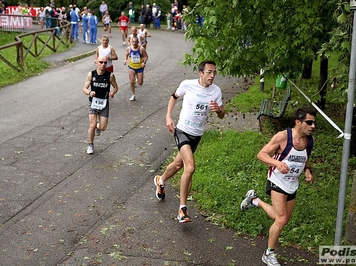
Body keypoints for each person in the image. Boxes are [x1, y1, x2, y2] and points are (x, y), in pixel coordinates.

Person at [240, 107, 316, 266]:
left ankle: (254, 200)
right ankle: (269, 253)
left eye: (314, 123)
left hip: (292, 183)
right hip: (277, 180)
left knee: (282, 218)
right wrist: (277, 163)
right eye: (309, 122)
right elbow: (261, 154)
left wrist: (307, 170)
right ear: (298, 122)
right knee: (281, 219)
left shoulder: (309, 141)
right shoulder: (283, 137)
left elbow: (305, 158)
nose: (312, 126)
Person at [153, 60, 226, 223]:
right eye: (209, 72)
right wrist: (168, 117)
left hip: (197, 135)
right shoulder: (188, 84)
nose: (212, 76)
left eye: (214, 72)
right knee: (190, 167)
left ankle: (160, 180)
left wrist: (219, 110)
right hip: (182, 131)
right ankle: (182, 209)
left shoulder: (216, 91)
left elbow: (222, 113)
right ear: (200, 73)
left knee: (178, 165)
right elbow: (173, 97)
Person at [83, 56, 119, 155]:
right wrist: (89, 92)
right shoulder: (91, 74)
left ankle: (98, 127)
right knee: (92, 125)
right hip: (93, 102)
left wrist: (112, 93)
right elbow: (84, 88)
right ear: (96, 63)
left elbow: (116, 87)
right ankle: (90, 145)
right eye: (101, 62)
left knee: (103, 128)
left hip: (104, 103)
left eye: (105, 62)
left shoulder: (110, 75)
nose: (103, 64)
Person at [123, 36, 149, 101]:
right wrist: (125, 60)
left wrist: (144, 62)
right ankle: (133, 95)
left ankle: (138, 77)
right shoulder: (129, 48)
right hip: (131, 67)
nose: (134, 43)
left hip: (139, 67)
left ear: (138, 42)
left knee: (140, 83)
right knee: (131, 81)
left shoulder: (141, 49)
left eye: (135, 42)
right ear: (131, 42)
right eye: (133, 42)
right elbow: (126, 55)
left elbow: (146, 56)